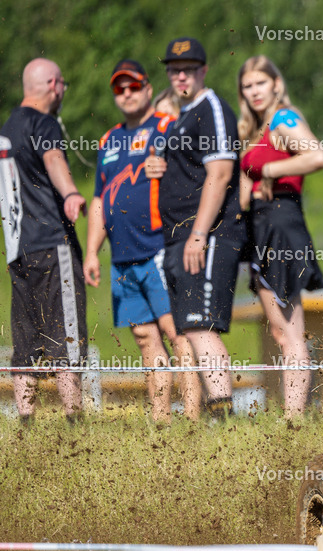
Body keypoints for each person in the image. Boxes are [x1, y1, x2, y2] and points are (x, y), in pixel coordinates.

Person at [84, 59, 200, 424]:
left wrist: (168, 169)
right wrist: (91, 251)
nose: (127, 93)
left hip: (158, 250)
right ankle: (162, 420)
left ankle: (195, 418)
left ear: (148, 88)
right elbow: (100, 199)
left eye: (133, 86)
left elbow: (200, 173)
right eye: (120, 88)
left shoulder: (167, 127)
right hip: (122, 258)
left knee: (176, 333)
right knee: (145, 339)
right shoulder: (109, 139)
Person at [145, 37, 247, 420]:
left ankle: (223, 419)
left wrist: (200, 234)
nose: (181, 75)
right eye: (174, 69)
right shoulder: (183, 115)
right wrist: (160, 165)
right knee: (189, 328)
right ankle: (212, 412)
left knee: (202, 328)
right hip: (177, 237)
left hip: (208, 234)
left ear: (203, 70)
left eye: (188, 69)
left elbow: (219, 175)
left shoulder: (212, 110)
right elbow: (186, 168)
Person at [237, 56, 323, 417]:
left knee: (291, 330)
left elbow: (318, 156)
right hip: (259, 227)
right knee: (279, 330)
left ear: (276, 84)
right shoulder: (254, 128)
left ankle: (294, 418)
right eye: (247, 85)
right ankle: (291, 410)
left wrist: (271, 170)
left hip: (282, 225)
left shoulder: (283, 118)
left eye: (261, 83)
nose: (254, 91)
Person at [0, 58, 87, 422]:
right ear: (53, 84)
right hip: (52, 245)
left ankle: (25, 422)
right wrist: (70, 193)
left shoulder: (7, 129)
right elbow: (53, 159)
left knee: (25, 342)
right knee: (66, 337)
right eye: (63, 84)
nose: (63, 90)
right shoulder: (44, 122)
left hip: (17, 250)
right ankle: (75, 421)